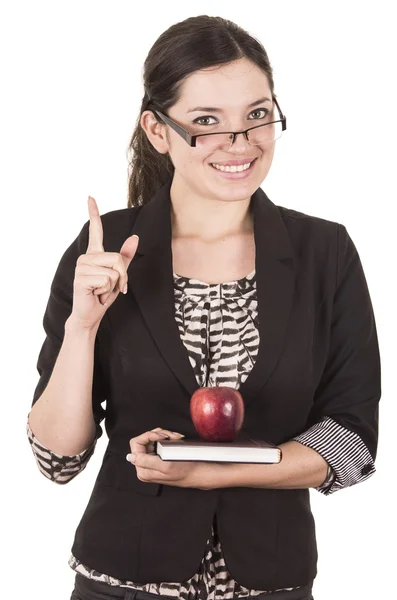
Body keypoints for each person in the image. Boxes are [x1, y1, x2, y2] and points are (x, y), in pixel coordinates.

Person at [26, 14, 381, 600]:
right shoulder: (105, 251)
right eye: (207, 122)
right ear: (158, 130)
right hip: (124, 578)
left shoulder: (326, 252)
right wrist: (82, 326)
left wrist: (215, 474)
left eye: (257, 115)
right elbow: (58, 460)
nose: (239, 143)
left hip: (272, 581)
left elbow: (352, 447)